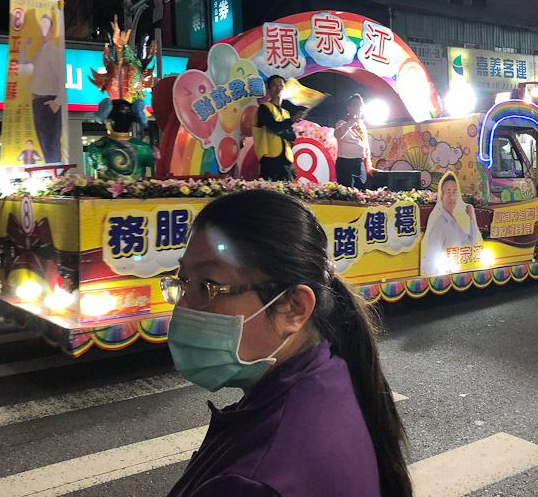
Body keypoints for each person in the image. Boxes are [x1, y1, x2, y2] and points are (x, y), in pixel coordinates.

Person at [163, 190, 411, 497]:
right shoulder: (329, 373)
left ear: (293, 308)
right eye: (183, 281)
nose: (183, 307)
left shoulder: (251, 482)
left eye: (208, 286)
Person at [19, 12, 64, 163]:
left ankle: (56, 176)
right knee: (43, 142)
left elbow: (62, 77)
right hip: (38, 101)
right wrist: (24, 47)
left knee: (51, 143)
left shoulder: (53, 51)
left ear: (52, 31)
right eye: (41, 27)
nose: (43, 30)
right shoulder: (41, 50)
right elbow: (24, 67)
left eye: (46, 27)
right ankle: (52, 173)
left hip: (48, 101)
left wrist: (57, 101)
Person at [419, 173, 480, 275]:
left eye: (454, 192)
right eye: (448, 192)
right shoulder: (440, 223)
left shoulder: (453, 223)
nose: (452, 197)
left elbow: (471, 243)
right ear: (442, 197)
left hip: (455, 278)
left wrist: (471, 218)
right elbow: (427, 264)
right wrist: (440, 279)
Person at [251, 75, 306, 182]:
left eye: (281, 84)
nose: (278, 88)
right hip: (269, 157)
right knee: (269, 192)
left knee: (286, 191)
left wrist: (281, 128)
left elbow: (292, 136)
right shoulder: (264, 108)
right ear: (269, 90)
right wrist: (290, 122)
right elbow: (273, 126)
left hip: (285, 158)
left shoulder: (286, 113)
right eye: (274, 85)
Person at [333, 93, 374, 189]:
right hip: (345, 162)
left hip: (359, 163)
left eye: (361, 104)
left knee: (361, 192)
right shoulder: (342, 122)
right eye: (356, 104)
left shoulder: (362, 124)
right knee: (347, 193)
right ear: (349, 108)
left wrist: (368, 165)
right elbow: (338, 135)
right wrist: (352, 121)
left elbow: (365, 146)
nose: (360, 107)